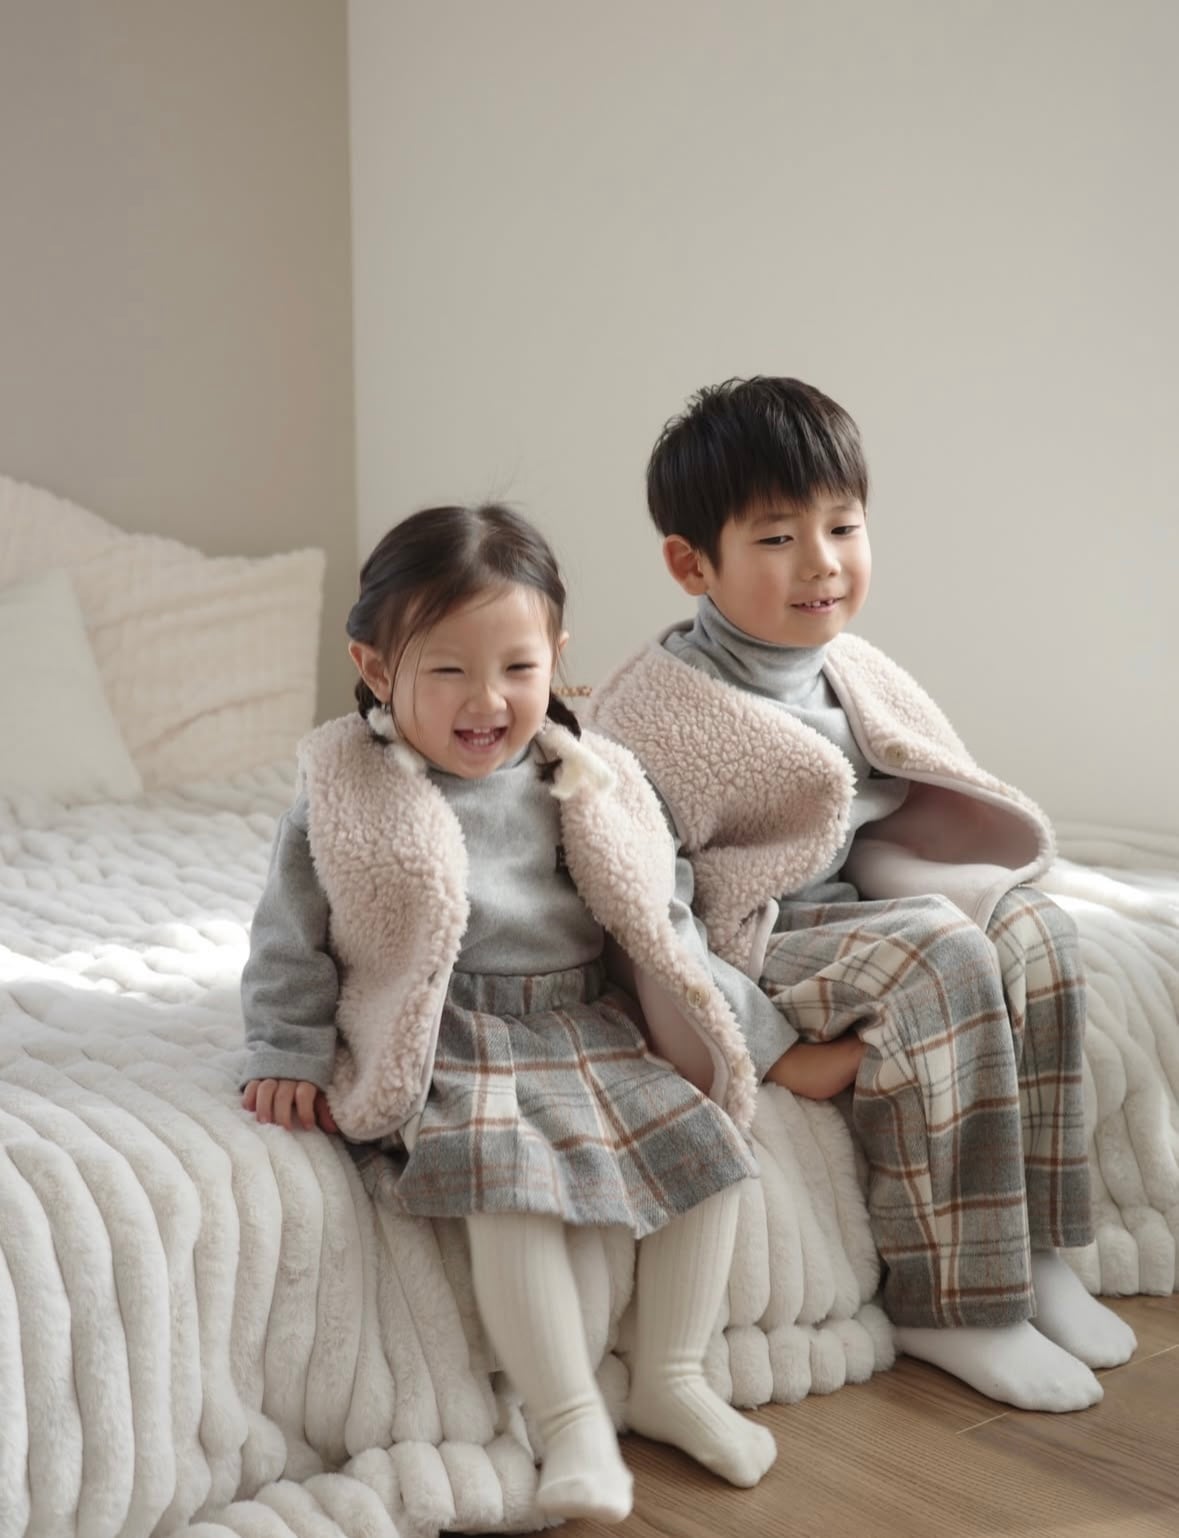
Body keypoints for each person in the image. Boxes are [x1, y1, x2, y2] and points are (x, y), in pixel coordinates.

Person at [587, 377, 1138, 1413]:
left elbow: (909, 793)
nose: (822, 562)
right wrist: (767, 1048)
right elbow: (643, 920)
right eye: (777, 537)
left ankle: (1036, 1247)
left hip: (853, 901)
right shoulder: (649, 716)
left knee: (1034, 930)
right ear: (691, 564)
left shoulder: (850, 668)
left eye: (842, 526)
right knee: (940, 954)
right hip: (753, 936)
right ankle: (954, 1302)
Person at [240, 503, 778, 1523]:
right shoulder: (348, 791)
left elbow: (653, 906)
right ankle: (569, 1417)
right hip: (454, 1031)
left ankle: (671, 1376)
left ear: (556, 657)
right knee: (509, 1184)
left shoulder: (582, 773)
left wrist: (718, 1015)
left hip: (583, 1021)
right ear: (374, 665)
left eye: (518, 668)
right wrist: (286, 1048)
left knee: (711, 1152)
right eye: (447, 670)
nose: (486, 699)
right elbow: (287, 939)